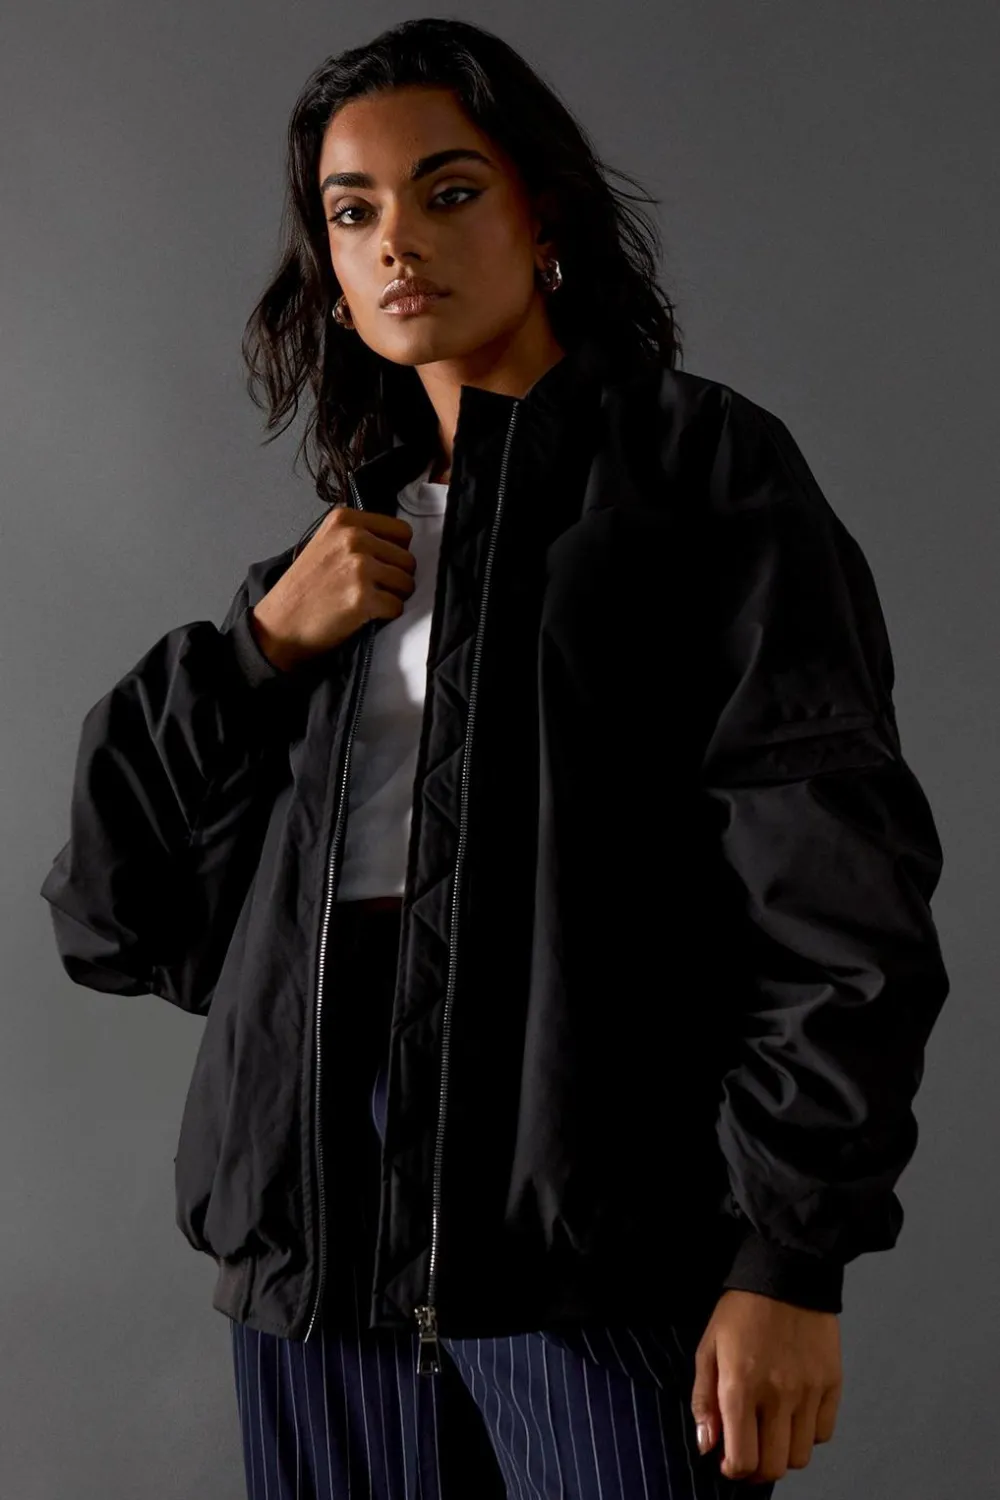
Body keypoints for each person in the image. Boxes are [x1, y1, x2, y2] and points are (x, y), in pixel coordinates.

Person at [39, 16, 950, 1498]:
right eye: (353, 214)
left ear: (545, 220)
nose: (398, 241)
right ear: (331, 277)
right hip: (319, 1253)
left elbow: (837, 893)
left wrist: (792, 1257)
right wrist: (256, 650)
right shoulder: (334, 571)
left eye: (447, 191)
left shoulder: (699, 478)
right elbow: (110, 912)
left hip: (588, 1242)